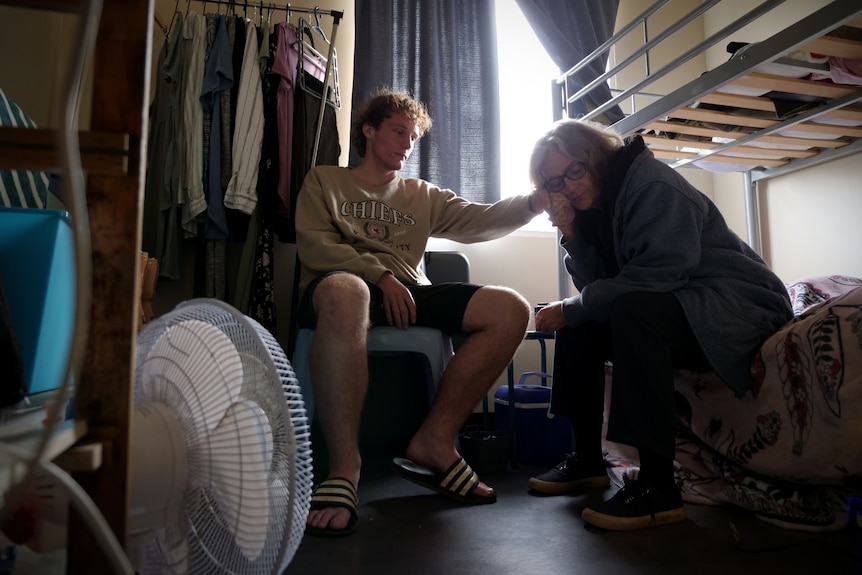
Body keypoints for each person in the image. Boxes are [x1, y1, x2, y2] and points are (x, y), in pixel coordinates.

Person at [296, 87, 543, 536]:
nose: (406, 144)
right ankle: (344, 469)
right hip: (340, 287)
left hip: (408, 291)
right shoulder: (324, 181)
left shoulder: (422, 194)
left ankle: (435, 439)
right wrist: (378, 275)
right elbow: (317, 245)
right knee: (349, 292)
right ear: (368, 131)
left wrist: (531, 204)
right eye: (397, 132)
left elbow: (480, 219)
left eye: (412, 138)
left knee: (510, 309)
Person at [526, 118, 793, 531]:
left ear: (594, 157)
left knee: (626, 310)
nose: (569, 186)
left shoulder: (650, 185)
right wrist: (570, 229)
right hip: (687, 301)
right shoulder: (601, 204)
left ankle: (658, 489)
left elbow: (658, 275)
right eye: (556, 182)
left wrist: (575, 305)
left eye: (574, 170)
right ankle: (587, 460)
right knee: (580, 320)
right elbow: (600, 286)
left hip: (740, 304)